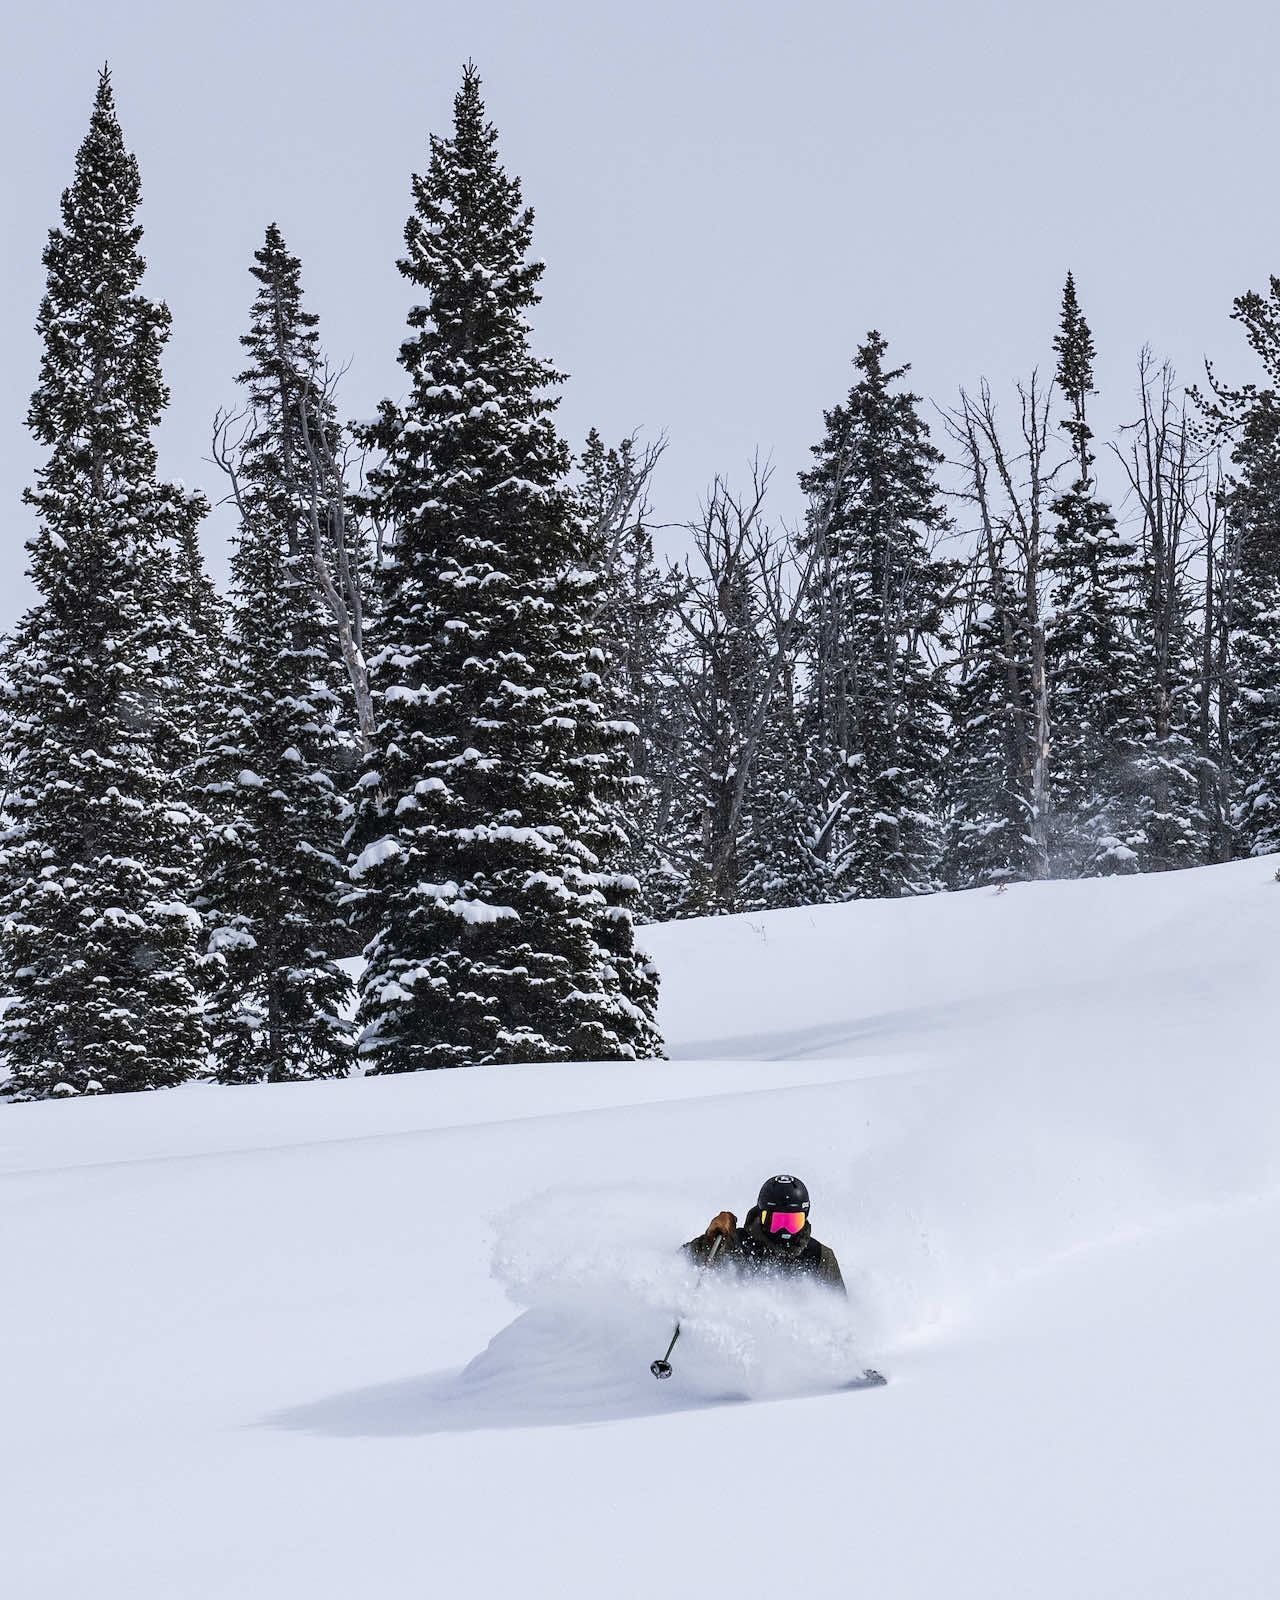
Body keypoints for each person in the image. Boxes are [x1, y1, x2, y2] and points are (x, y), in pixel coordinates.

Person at [684, 1174, 846, 1295]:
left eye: (793, 1222)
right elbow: (681, 1263)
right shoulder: (736, 1245)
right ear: (762, 1216)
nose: (784, 1231)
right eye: (777, 1222)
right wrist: (711, 1240)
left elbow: (840, 1313)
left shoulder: (819, 1257)